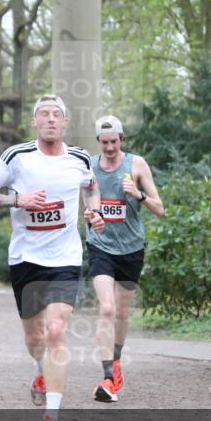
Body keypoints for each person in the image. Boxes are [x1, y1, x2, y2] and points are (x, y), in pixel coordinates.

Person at [0, 94, 105, 421]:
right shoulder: (17, 157)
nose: (50, 119)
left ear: (65, 123)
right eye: (43, 114)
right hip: (26, 259)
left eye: (56, 115)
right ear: (34, 122)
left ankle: (51, 417)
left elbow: (91, 187)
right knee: (35, 339)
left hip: (65, 258)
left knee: (57, 329)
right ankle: (39, 371)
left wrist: (94, 213)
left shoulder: (78, 158)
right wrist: (18, 200)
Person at [87, 115, 164, 402]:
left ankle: (116, 361)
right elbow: (89, 203)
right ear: (98, 142)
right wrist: (92, 216)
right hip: (101, 246)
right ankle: (108, 379)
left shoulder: (137, 164)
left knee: (120, 312)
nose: (109, 147)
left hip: (131, 248)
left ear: (121, 140)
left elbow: (160, 208)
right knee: (106, 309)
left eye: (114, 142)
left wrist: (139, 195)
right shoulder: (91, 167)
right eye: (104, 142)